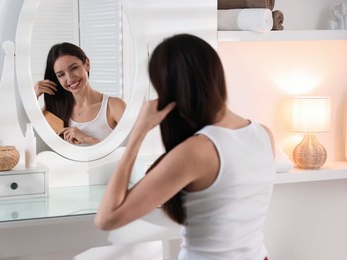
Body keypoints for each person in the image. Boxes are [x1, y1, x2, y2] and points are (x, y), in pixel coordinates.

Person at [94, 34, 276, 260]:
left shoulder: (197, 151)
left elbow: (106, 218)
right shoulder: (264, 134)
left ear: (170, 90)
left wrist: (137, 134)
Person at [34, 42, 126, 145]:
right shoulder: (54, 110)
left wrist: (87, 139)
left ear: (87, 64)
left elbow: (132, 150)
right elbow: (27, 136)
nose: (69, 78)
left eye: (74, 68)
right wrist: (33, 96)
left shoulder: (114, 106)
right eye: (61, 75)